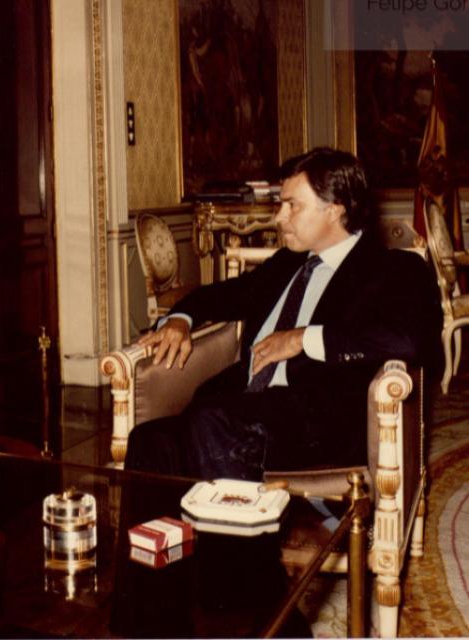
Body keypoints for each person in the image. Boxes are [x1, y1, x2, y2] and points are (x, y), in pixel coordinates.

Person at [125, 147, 442, 480]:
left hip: (318, 422)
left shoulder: (394, 269)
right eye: (281, 204)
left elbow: (408, 340)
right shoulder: (288, 262)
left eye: (292, 205)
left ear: (335, 209)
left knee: (212, 420)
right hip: (244, 406)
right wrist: (180, 319)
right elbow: (222, 294)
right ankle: (168, 534)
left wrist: (303, 338)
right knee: (149, 440)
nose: (279, 217)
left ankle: (231, 530)